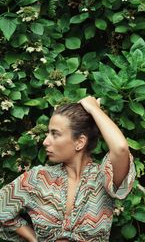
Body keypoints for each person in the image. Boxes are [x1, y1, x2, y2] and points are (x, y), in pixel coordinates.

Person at [0, 96, 136, 242]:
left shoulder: (104, 178)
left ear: (80, 142)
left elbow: (121, 148)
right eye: (48, 133)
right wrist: (33, 238)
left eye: (55, 134)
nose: (45, 141)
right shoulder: (38, 178)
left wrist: (93, 109)